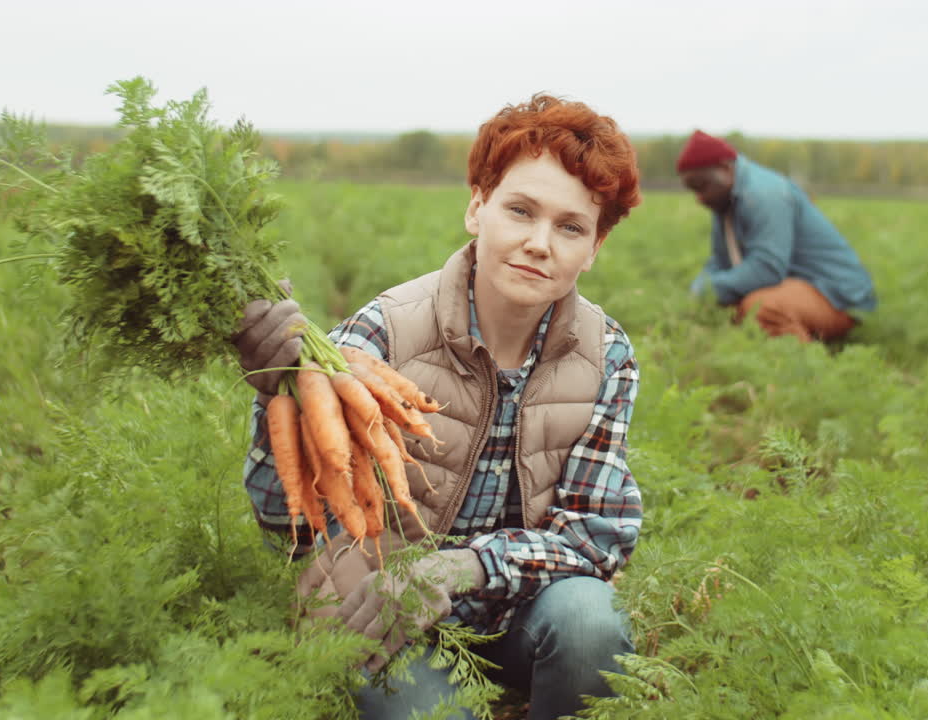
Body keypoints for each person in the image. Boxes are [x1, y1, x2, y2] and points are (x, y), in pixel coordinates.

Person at [233, 94, 644, 720]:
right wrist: (273, 395)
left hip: (518, 610)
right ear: (477, 207)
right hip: (383, 610)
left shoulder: (605, 354)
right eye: (520, 210)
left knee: (592, 622)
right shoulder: (382, 335)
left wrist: (464, 568)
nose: (540, 243)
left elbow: (595, 535)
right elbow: (289, 525)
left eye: (569, 227)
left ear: (594, 248)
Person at [679, 129, 877, 343]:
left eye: (702, 186)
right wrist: (698, 290)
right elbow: (720, 260)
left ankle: (800, 368)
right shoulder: (724, 200)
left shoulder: (764, 195)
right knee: (725, 307)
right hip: (795, 286)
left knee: (761, 308)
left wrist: (708, 290)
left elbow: (767, 268)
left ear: (726, 168)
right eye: (693, 191)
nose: (699, 198)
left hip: (836, 295)